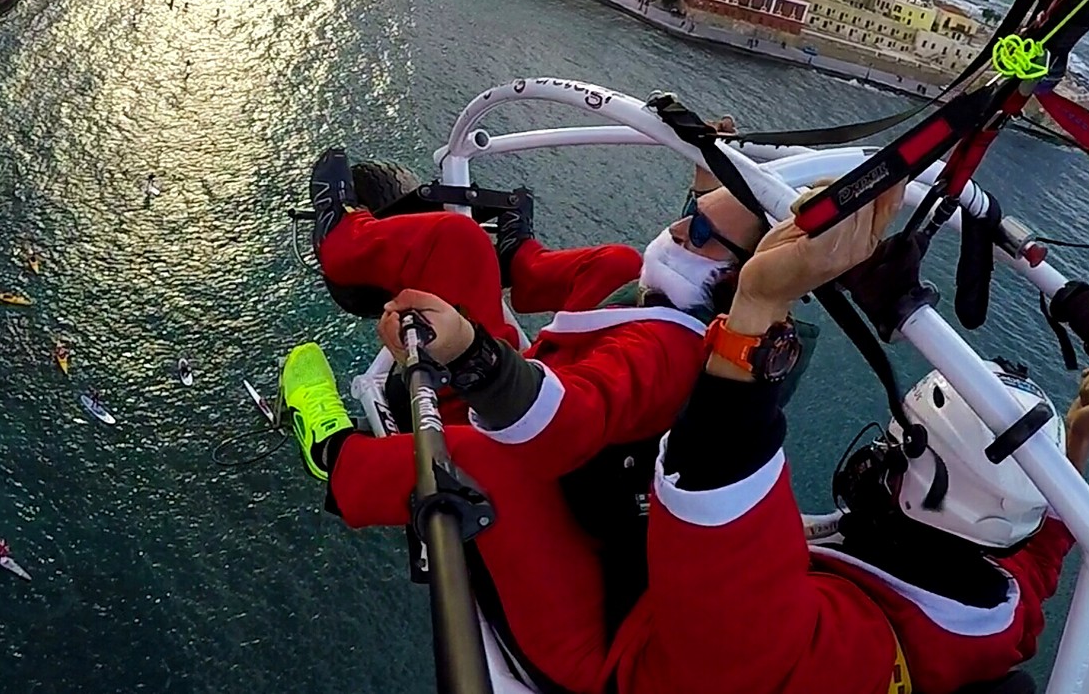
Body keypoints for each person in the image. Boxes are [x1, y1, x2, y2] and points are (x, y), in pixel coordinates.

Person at [280, 149, 768, 693]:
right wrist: (715, 181)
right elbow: (705, 246)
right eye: (693, 207)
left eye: (698, 228)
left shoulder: (666, 353)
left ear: (735, 281)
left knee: (477, 460)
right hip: (550, 460)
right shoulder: (645, 289)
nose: (677, 227)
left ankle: (332, 455)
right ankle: (347, 244)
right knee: (474, 244)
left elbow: (567, 422)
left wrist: (472, 357)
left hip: (587, 630)